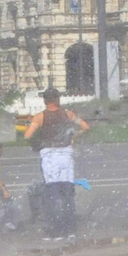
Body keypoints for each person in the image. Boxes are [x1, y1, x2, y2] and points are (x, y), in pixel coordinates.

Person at [25, 88, 90, 240]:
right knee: (67, 192)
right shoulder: (68, 114)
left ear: (45, 100)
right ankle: (70, 230)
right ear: (58, 99)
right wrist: (74, 138)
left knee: (52, 193)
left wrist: (38, 143)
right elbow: (86, 127)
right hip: (66, 154)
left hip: (49, 155)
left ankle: (55, 230)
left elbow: (27, 135)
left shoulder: (40, 117)